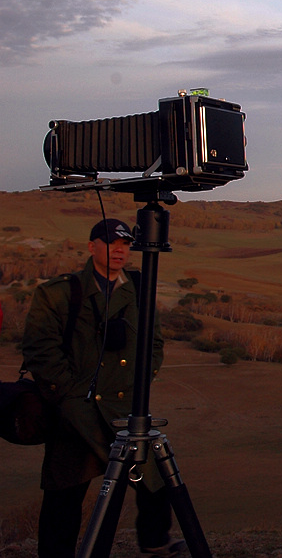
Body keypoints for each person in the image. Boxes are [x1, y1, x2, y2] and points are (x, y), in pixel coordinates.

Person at [22, 218, 185, 558]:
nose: (119, 250)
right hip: (76, 409)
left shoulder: (139, 289)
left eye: (125, 244)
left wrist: (139, 383)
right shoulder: (61, 292)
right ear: (91, 247)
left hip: (125, 407)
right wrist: (67, 396)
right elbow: (40, 349)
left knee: (153, 479)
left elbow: (153, 343)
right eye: (111, 243)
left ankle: (155, 542)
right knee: (65, 490)